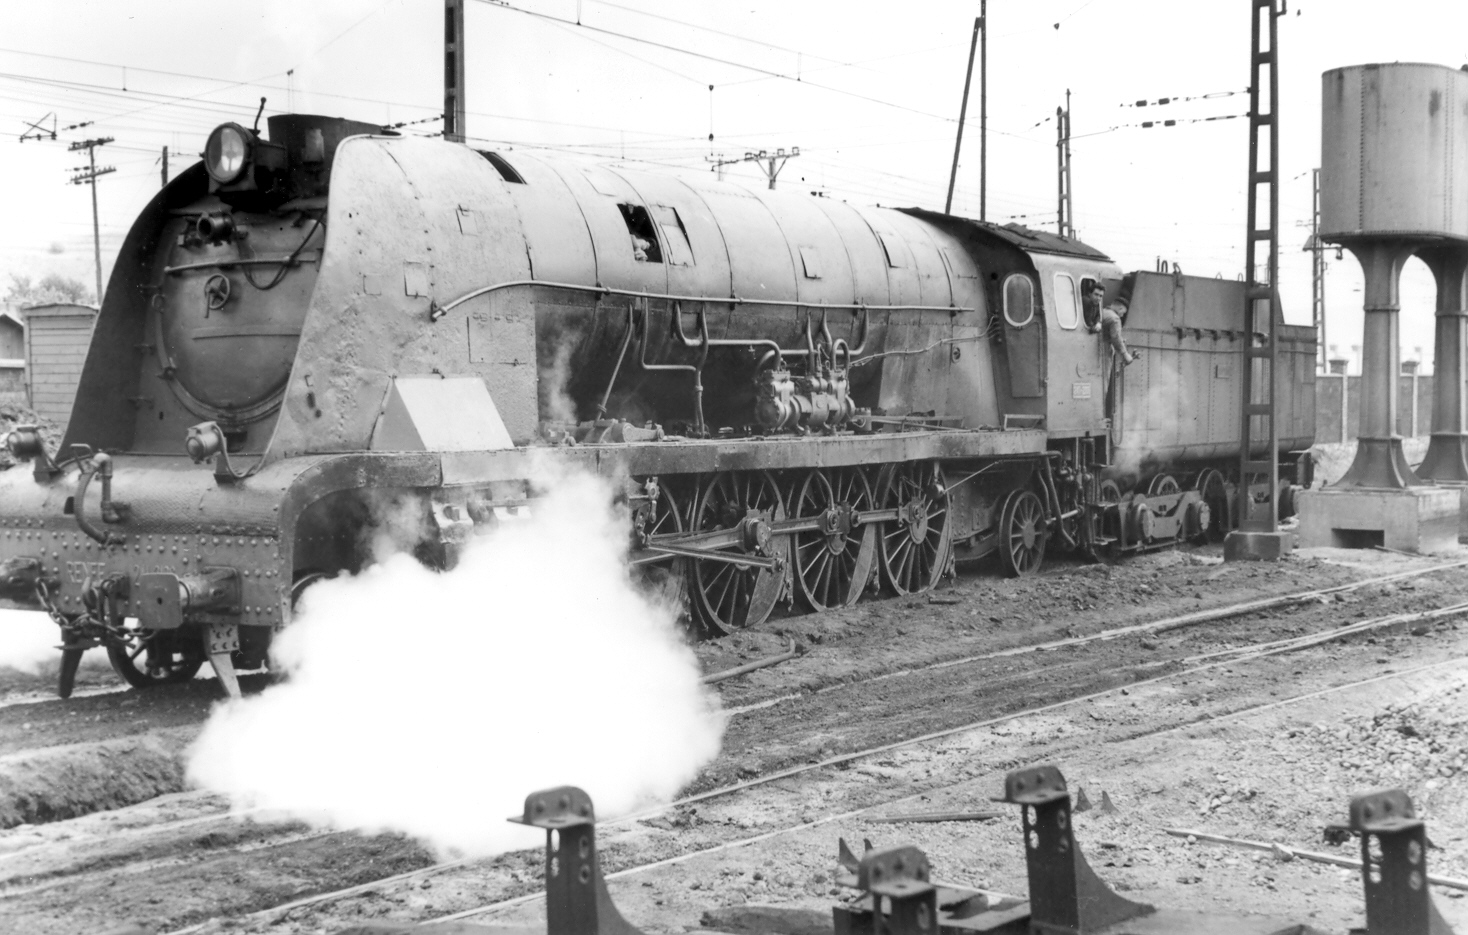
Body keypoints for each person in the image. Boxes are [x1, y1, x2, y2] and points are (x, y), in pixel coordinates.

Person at [1086, 282, 1137, 366]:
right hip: (1103, 353)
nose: (1122, 315)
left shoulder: (1103, 311)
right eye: (1123, 313)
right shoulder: (1115, 319)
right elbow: (1116, 338)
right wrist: (1126, 355)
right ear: (1120, 309)